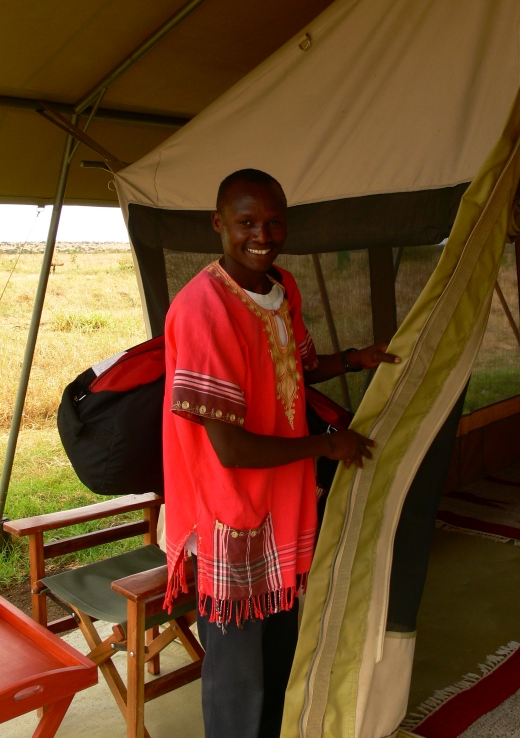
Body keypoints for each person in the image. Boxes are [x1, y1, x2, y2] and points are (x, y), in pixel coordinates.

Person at [163, 168, 401, 738]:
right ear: (218, 224)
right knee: (239, 674)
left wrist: (354, 359)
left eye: (274, 222)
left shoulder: (282, 287)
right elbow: (230, 449)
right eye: (246, 223)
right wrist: (327, 444)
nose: (262, 236)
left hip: (281, 501)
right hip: (230, 512)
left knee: (279, 655)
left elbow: (297, 366)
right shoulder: (203, 308)